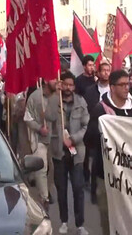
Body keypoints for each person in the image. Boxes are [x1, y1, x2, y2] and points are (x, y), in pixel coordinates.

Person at [83, 70, 132, 235]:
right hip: (106, 175)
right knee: (108, 218)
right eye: (122, 85)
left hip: (131, 176)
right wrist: (103, 129)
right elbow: (88, 141)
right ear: (112, 87)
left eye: (128, 84)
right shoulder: (100, 110)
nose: (126, 88)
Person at [47, 72, 89, 235]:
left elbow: (85, 125)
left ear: (74, 87)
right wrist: (53, 97)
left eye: (71, 85)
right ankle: (64, 221)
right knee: (62, 188)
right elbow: (49, 116)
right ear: (61, 84)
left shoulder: (81, 102)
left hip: (77, 152)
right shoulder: (54, 100)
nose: (68, 88)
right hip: (59, 152)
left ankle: (80, 224)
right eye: (65, 84)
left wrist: (74, 138)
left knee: (78, 188)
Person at [24, 78, 58, 209]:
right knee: (41, 169)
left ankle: (48, 190)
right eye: (53, 78)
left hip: (55, 139)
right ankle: (44, 199)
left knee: (52, 169)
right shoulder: (35, 97)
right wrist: (39, 128)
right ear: (45, 81)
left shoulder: (57, 96)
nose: (56, 81)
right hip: (40, 139)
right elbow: (28, 118)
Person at [83, 62, 111, 202]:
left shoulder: (113, 90)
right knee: (96, 161)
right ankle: (95, 192)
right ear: (98, 73)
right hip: (95, 129)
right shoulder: (90, 90)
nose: (106, 73)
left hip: (110, 131)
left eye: (108, 70)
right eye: (103, 70)